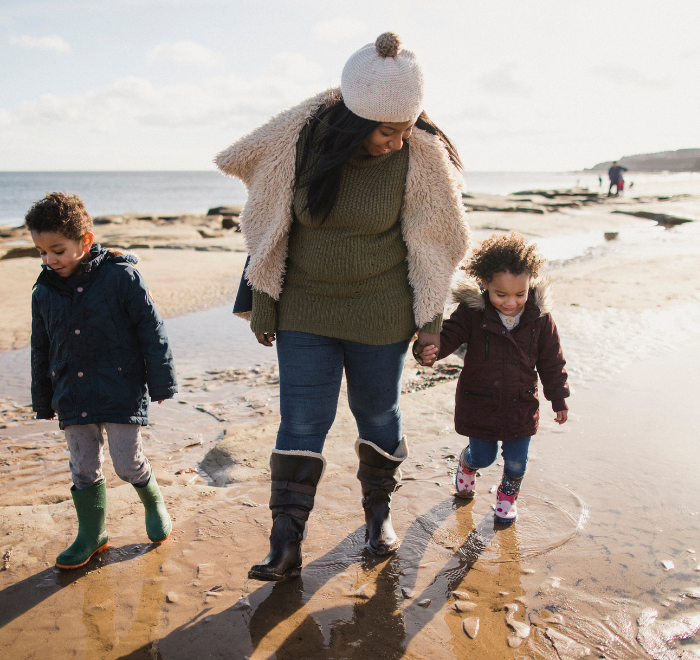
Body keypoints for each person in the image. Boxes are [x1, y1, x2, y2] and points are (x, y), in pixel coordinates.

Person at [215, 32, 470, 580]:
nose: (399, 141)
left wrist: (430, 323)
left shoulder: (418, 158)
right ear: (356, 121)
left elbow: (435, 241)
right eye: (388, 131)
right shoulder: (300, 144)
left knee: (376, 413)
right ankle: (284, 545)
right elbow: (267, 227)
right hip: (306, 310)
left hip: (380, 314)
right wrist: (264, 303)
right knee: (303, 420)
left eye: (407, 128)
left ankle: (378, 516)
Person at [27, 192, 178, 569]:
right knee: (83, 467)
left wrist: (161, 382)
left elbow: (150, 330)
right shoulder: (44, 290)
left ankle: (153, 500)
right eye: (42, 252)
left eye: (58, 250)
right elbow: (40, 347)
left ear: (85, 241)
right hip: (71, 392)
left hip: (120, 389)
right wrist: (43, 399)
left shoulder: (121, 277)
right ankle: (92, 533)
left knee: (127, 464)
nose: (49, 260)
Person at [415, 233, 569, 524]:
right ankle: (467, 464)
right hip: (480, 401)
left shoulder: (539, 318)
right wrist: (428, 350)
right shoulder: (473, 312)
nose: (511, 302)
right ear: (485, 285)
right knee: (483, 457)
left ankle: (506, 499)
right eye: (501, 295)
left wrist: (558, 397)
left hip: (520, 402)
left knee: (516, 462)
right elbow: (447, 337)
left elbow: (552, 360)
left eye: (520, 294)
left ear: (530, 284)